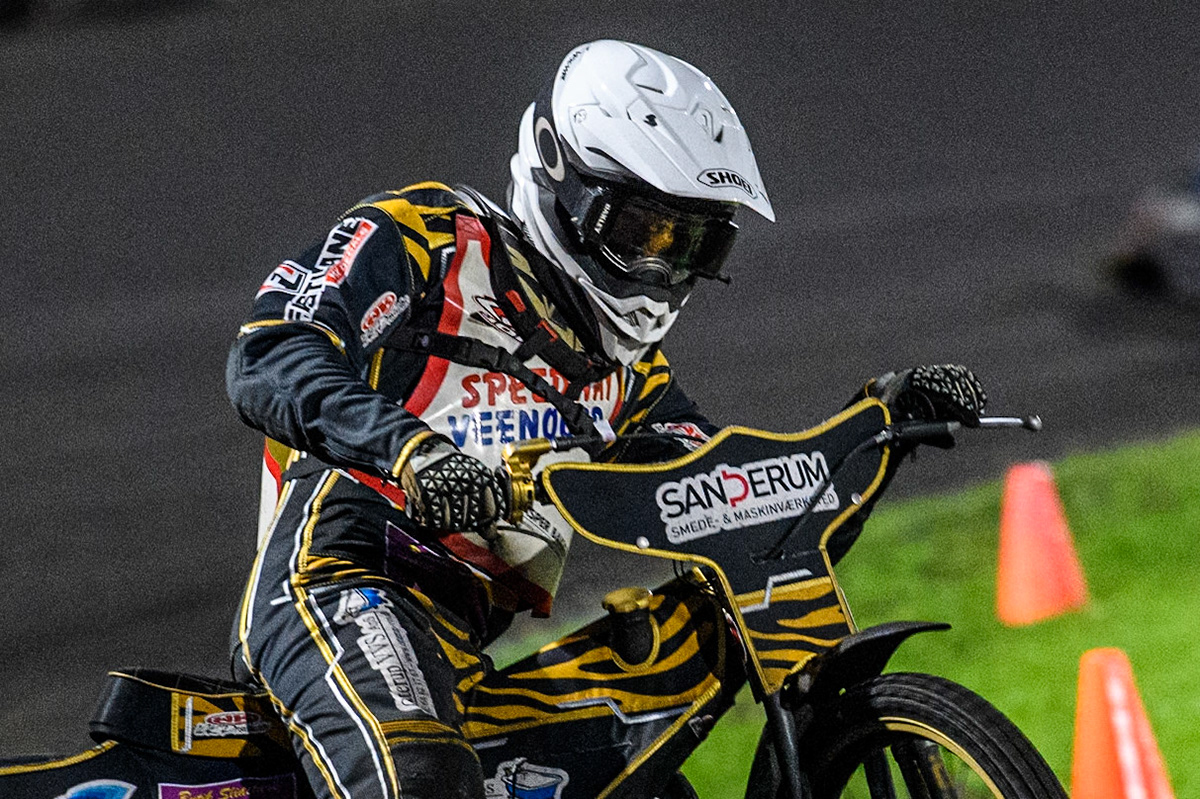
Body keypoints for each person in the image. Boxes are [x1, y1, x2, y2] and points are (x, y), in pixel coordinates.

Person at [225, 39, 986, 799]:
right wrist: (413, 452)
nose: (661, 270)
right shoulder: (428, 238)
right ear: (561, 173)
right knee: (417, 778)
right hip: (337, 583)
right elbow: (268, 354)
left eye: (693, 243)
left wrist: (882, 427)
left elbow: (756, 522)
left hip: (463, 650)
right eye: (643, 233)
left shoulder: (633, 378)